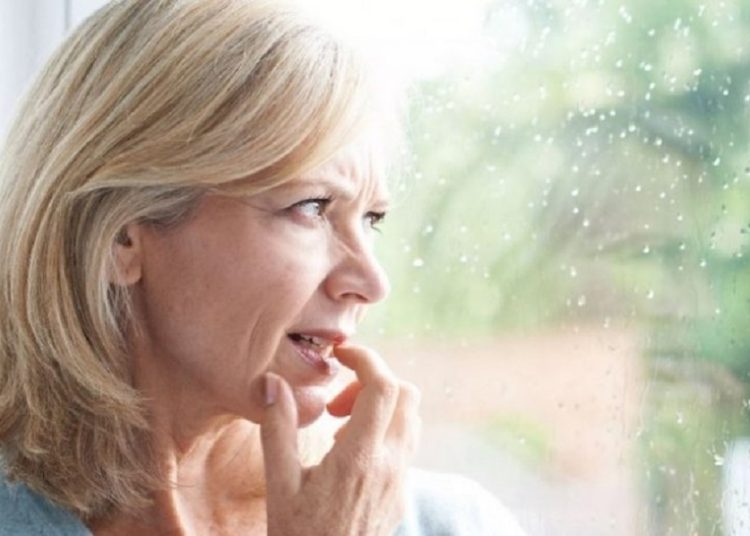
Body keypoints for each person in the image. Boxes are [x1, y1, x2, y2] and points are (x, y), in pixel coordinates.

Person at [0, 1, 526, 534]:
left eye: (372, 219)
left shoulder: (455, 524)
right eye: (312, 207)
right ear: (120, 237)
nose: (372, 283)